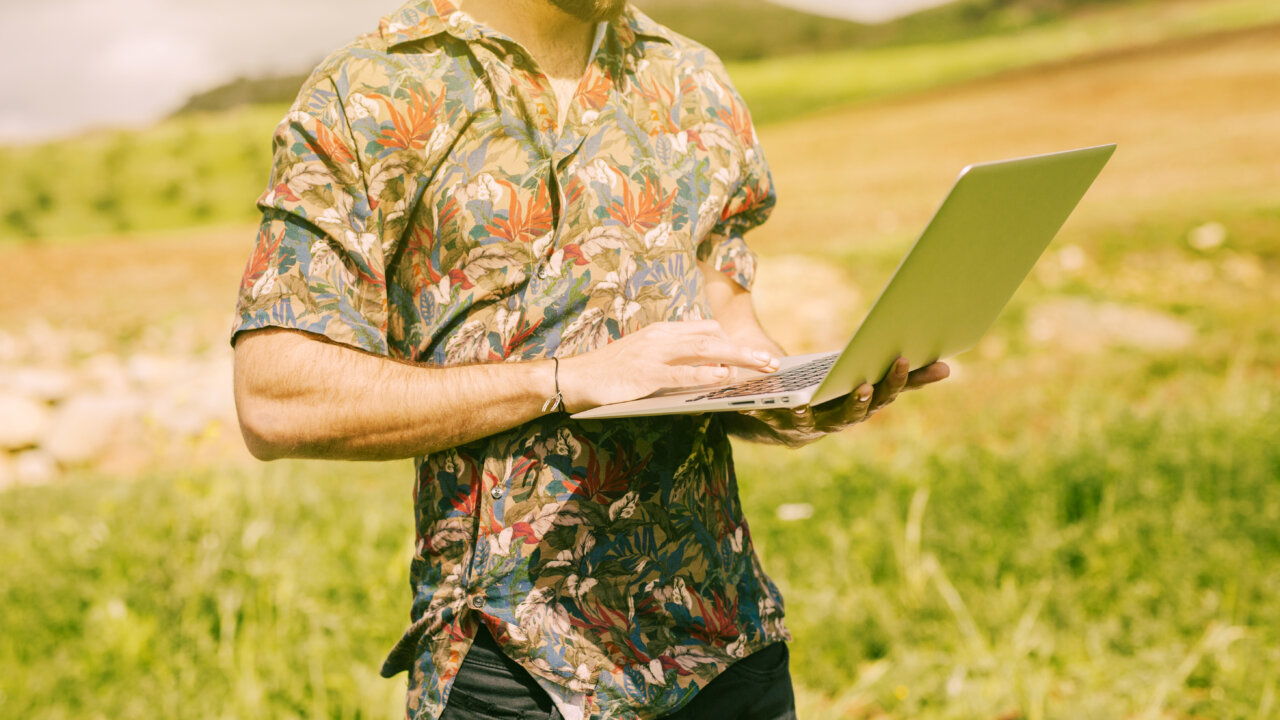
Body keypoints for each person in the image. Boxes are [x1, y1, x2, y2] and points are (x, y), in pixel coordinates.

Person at [230, 0, 949, 718]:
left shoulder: (692, 77)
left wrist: (800, 398)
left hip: (729, 646)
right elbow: (275, 396)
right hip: (515, 666)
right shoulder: (370, 90)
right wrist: (565, 382)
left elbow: (731, 329)